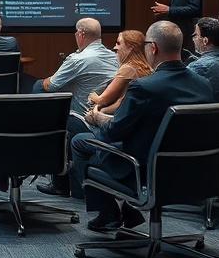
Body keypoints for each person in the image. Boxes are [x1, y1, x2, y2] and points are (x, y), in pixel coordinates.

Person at [70, 20, 215, 232]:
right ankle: (127, 209)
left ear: (153, 48)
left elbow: (114, 133)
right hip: (196, 171)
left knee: (80, 142)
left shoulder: (144, 87)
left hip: (145, 170)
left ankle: (109, 212)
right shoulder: (204, 85)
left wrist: (99, 118)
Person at [36, 29, 152, 199]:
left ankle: (68, 186)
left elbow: (101, 100)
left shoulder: (127, 68)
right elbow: (121, 102)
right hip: (130, 133)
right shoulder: (144, 70)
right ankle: (66, 183)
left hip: (115, 131)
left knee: (62, 117)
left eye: (118, 43)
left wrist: (96, 111)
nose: (114, 48)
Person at [31, 17, 118, 112]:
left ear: (81, 34)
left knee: (39, 85)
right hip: (108, 112)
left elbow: (52, 86)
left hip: (83, 114)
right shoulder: (115, 57)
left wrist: (46, 81)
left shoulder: (77, 59)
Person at [188, 17, 219, 101]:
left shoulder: (199, 66)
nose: (194, 39)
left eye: (196, 35)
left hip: (207, 108)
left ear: (205, 40)